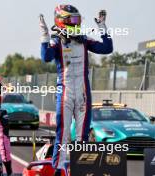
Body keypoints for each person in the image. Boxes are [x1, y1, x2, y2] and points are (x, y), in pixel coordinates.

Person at [39, 4, 113, 175]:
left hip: (83, 92)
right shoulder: (56, 41)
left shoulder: (84, 40)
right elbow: (45, 57)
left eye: (77, 20)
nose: (76, 24)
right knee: (63, 135)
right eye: (72, 20)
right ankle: (58, 171)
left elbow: (107, 48)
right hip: (64, 92)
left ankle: (81, 171)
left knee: (82, 137)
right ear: (61, 21)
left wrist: (102, 27)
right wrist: (44, 35)